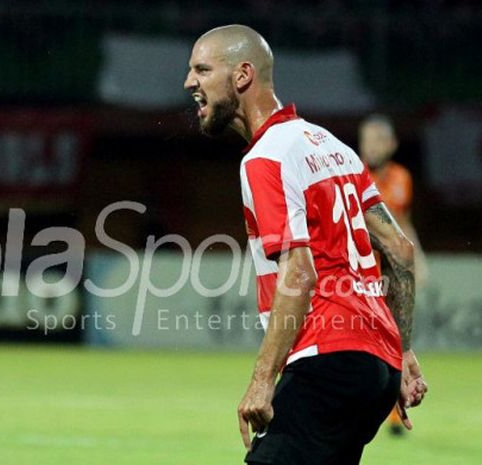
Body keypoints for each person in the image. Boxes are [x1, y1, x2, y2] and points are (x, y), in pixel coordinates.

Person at [184, 25, 428, 465]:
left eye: (202, 69)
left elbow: (299, 272)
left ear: (242, 76)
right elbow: (400, 250)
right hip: (377, 367)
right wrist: (403, 349)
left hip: (327, 358)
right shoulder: (334, 147)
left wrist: (263, 379)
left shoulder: (265, 158)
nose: (189, 83)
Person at [358, 114, 430, 436]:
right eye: (365, 140)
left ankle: (392, 411)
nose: (369, 147)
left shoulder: (402, 178)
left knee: (394, 342)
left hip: (391, 276)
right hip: (360, 275)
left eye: (376, 140)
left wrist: (420, 260)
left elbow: (404, 222)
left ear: (392, 144)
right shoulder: (351, 175)